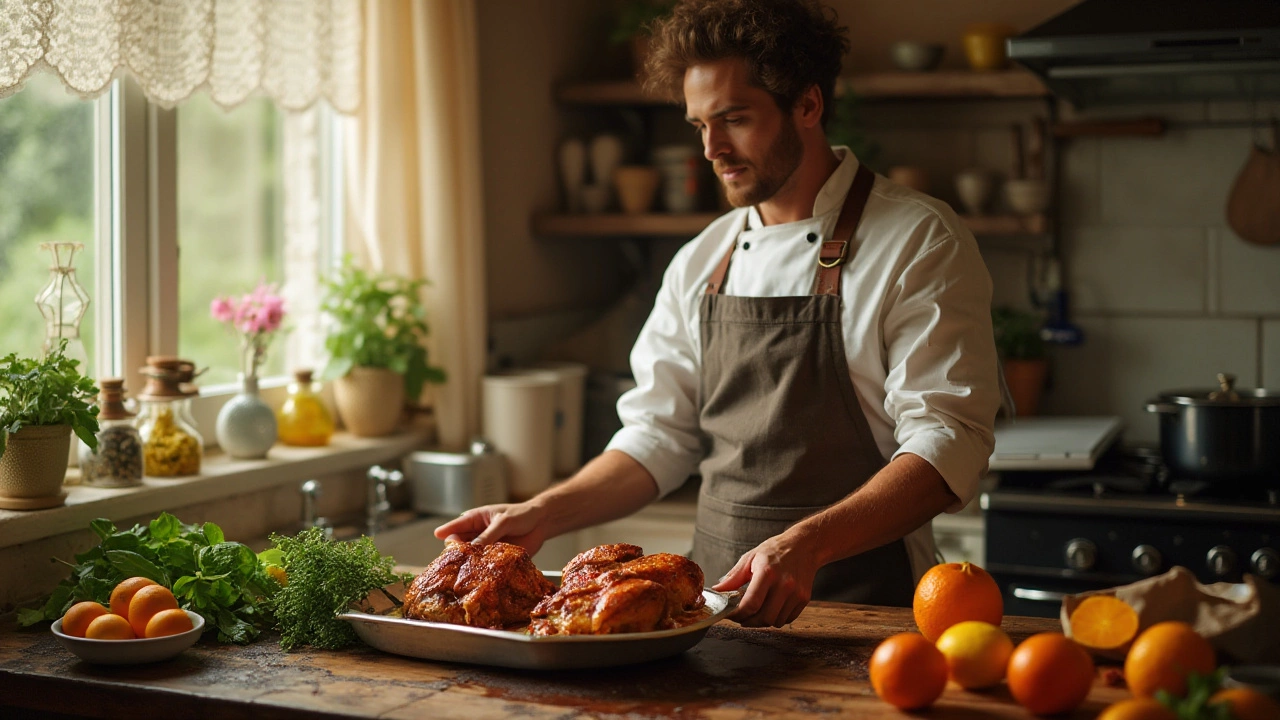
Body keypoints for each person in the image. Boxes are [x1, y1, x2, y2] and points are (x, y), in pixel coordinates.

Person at [436, 0, 1001, 628]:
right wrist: (540, 513)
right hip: (702, 617)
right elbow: (657, 438)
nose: (712, 149)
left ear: (807, 106)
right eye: (700, 124)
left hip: (862, 607)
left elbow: (948, 442)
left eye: (734, 119)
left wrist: (805, 545)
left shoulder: (919, 240)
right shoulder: (704, 259)